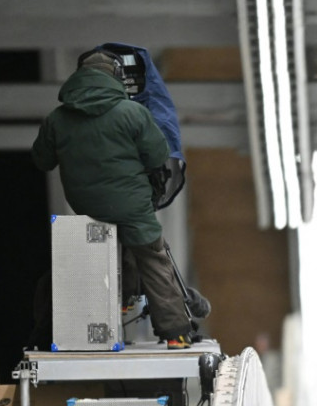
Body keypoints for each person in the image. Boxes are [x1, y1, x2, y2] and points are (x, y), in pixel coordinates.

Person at [31, 49, 195, 350]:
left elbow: (41, 160)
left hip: (85, 205)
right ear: (115, 78)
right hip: (130, 205)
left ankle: (113, 305)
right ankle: (175, 333)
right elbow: (158, 155)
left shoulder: (56, 119)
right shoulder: (131, 112)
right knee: (153, 257)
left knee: (105, 249)